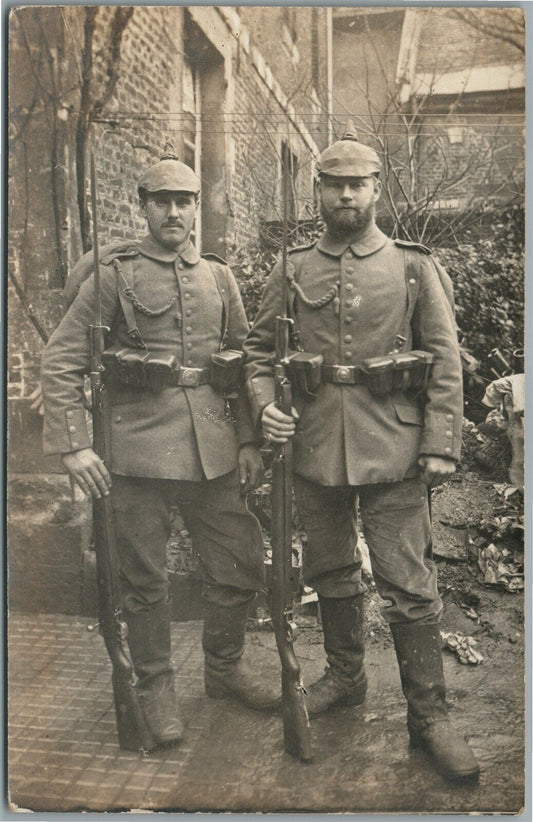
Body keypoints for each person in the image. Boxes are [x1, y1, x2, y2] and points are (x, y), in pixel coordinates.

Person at [243, 127, 480, 781]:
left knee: (409, 584)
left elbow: (444, 360)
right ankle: (346, 679)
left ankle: (428, 716)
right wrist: (264, 406)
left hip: (394, 446)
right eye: (334, 185)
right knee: (332, 571)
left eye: (357, 184)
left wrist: (440, 444)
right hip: (314, 445)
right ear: (318, 191)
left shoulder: (412, 266)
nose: (346, 195)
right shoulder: (292, 268)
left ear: (375, 189)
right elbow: (259, 354)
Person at [41, 147, 279, 750]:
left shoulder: (219, 276)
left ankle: (224, 669)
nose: (174, 212)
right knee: (144, 580)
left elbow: (242, 364)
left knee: (239, 560)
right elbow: (61, 360)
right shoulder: (113, 276)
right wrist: (76, 447)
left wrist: (248, 439)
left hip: (212, 447)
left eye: (184, 201)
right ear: (144, 207)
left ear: (197, 207)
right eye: (162, 201)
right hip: (135, 450)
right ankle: (154, 687)